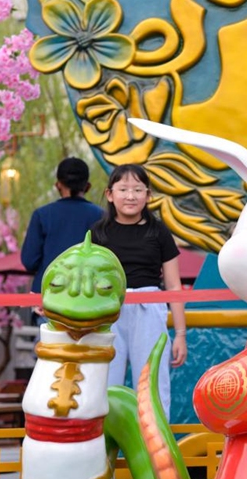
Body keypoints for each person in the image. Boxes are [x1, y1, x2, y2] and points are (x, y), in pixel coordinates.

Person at [90, 164, 187, 420]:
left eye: (137, 189)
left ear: (148, 195)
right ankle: (102, 450)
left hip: (150, 310)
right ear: (110, 194)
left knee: (151, 383)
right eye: (123, 189)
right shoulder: (98, 234)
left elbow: (174, 286)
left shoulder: (159, 232)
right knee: (105, 383)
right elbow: (88, 279)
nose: (130, 196)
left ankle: (156, 452)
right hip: (109, 311)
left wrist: (180, 334)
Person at [21, 157, 104, 325]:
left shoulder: (42, 215)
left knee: (50, 349)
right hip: (89, 297)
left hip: (50, 296)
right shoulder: (101, 216)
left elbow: (29, 261)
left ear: (58, 184)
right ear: (87, 186)